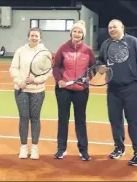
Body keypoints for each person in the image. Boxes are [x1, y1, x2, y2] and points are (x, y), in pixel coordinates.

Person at [98, 19, 137, 166]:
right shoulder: (106, 44)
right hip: (113, 89)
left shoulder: (134, 42)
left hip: (132, 89)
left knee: (133, 122)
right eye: (109, 28)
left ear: (122, 27)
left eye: (115, 27)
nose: (112, 29)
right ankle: (119, 147)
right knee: (115, 121)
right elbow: (101, 62)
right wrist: (100, 68)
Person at [52, 20, 96, 161]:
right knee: (63, 119)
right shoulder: (63, 48)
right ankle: (61, 149)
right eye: (75, 31)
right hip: (64, 90)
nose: (77, 33)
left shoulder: (88, 50)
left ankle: (83, 150)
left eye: (80, 32)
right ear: (71, 32)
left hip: (81, 90)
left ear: (83, 35)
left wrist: (87, 78)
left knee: (80, 120)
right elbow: (56, 67)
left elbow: (93, 69)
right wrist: (60, 81)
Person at [9, 27, 52, 160]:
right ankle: (23, 147)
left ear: (40, 37)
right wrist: (18, 80)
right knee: (23, 118)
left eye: (36, 36)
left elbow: (48, 71)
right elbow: (14, 68)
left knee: (35, 118)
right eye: (32, 35)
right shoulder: (20, 51)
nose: (34, 38)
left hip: (37, 91)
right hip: (21, 90)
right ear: (28, 36)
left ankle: (34, 147)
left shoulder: (45, 53)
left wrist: (36, 80)